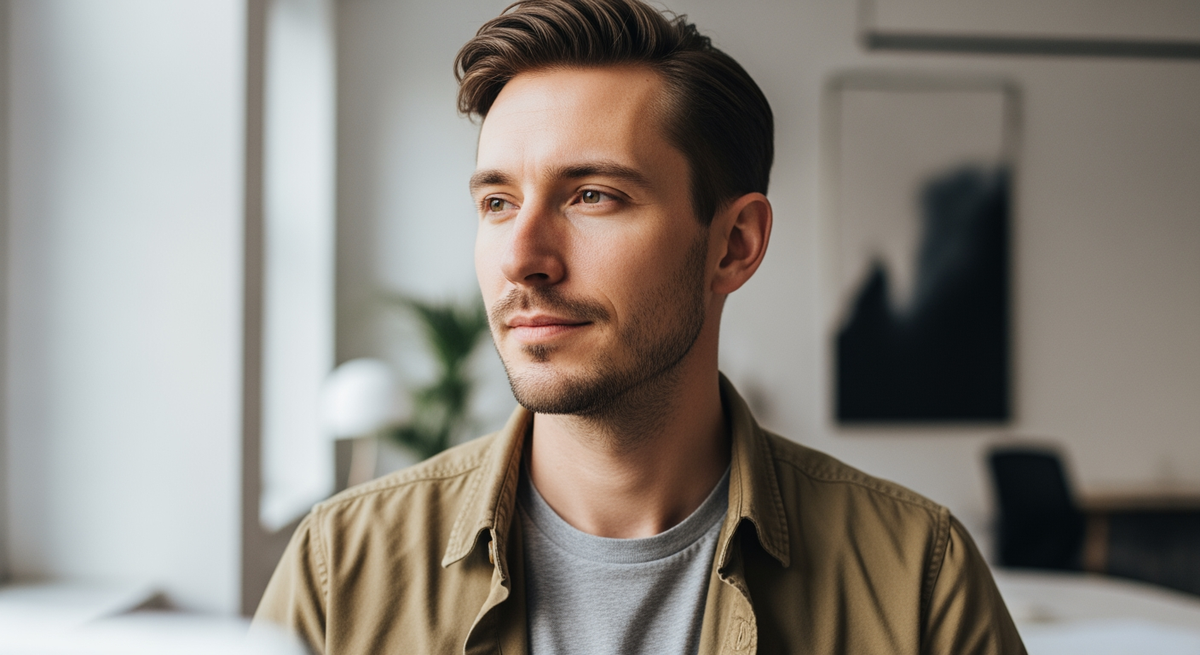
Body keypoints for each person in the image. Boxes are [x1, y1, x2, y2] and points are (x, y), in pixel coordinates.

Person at [254, 0, 1026, 653]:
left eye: (592, 195)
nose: (523, 258)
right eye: (497, 203)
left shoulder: (919, 580)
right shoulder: (341, 569)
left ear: (734, 245)